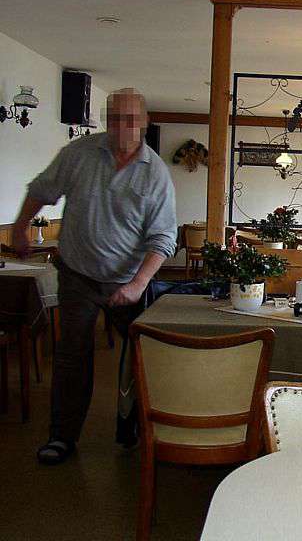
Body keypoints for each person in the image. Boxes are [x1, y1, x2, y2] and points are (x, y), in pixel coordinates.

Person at [12, 88, 177, 465]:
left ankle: (139, 431)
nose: (123, 127)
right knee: (72, 357)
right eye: (115, 118)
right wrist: (20, 227)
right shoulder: (79, 154)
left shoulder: (155, 174)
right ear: (106, 120)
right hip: (78, 275)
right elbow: (42, 189)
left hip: (128, 281)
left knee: (142, 358)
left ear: (144, 122)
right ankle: (62, 437)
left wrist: (137, 285)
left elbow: (164, 237)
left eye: (131, 120)